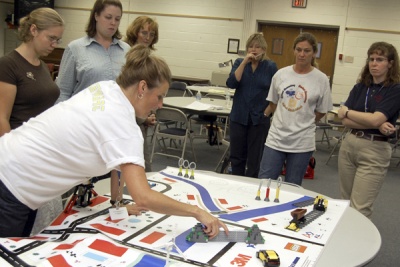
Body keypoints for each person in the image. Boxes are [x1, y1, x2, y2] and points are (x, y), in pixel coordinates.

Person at [0, 45, 229, 238]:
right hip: (11, 185)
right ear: (141, 87)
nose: (160, 105)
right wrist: (197, 212)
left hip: (12, 168)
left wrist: (118, 207)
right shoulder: (122, 124)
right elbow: (144, 196)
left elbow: (116, 163)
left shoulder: (105, 89)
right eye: (159, 96)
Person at [55, 0, 130, 209]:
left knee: (113, 193)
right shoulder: (76, 48)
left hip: (115, 129)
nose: (113, 23)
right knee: (79, 192)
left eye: (117, 19)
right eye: (108, 17)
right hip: (83, 129)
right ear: (96, 15)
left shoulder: (126, 51)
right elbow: (63, 92)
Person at [0, 8, 64, 236]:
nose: (54, 44)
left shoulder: (41, 66)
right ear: (34, 30)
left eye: (58, 39)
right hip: (17, 163)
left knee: (36, 229)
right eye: (51, 38)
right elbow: (1, 119)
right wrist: (14, 159)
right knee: (13, 233)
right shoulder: (9, 65)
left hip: (40, 159)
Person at [259, 32, 332, 186]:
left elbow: (322, 110)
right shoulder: (280, 75)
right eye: (298, 50)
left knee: (293, 187)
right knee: (265, 183)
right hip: (276, 139)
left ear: (314, 53)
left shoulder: (321, 79)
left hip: (302, 142)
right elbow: (273, 103)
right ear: (294, 51)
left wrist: (303, 119)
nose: (302, 54)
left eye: (307, 51)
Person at [337, 42, 400, 218]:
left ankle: (358, 245)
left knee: (360, 208)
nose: (374, 63)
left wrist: (349, 111)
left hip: (374, 150)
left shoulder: (395, 89)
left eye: (380, 59)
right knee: (345, 203)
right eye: (371, 59)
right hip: (349, 145)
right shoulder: (360, 87)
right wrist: (376, 123)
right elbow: (344, 122)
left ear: (391, 63)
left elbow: (353, 115)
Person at [226, 33, 277, 178]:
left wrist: (267, 113)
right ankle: (236, 184)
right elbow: (231, 83)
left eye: (258, 46)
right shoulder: (239, 63)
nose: (254, 49)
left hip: (259, 119)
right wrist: (244, 62)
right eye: (251, 46)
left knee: (255, 159)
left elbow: (276, 94)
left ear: (264, 49)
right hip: (239, 116)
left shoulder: (270, 66)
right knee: (237, 157)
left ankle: (251, 189)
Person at [125, 16, 159, 172]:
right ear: (135, 32)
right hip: (126, 119)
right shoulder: (125, 54)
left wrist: (149, 114)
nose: (147, 37)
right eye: (144, 33)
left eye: (151, 35)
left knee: (142, 163)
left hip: (141, 120)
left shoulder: (149, 58)